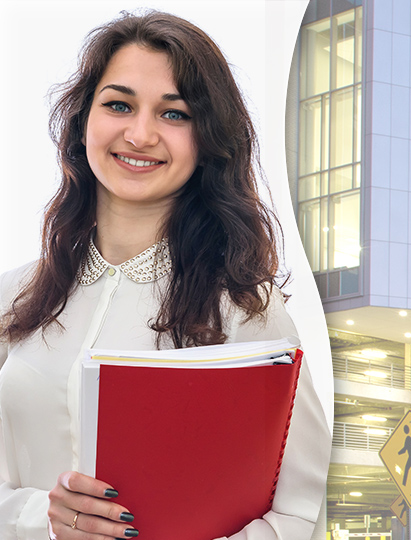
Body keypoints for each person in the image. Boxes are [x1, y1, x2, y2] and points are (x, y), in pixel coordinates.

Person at [0, 11, 326, 540]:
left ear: (207, 141)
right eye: (119, 105)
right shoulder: (15, 296)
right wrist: (45, 521)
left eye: (174, 114)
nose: (141, 133)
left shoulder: (245, 308)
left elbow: (300, 511)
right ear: (84, 122)